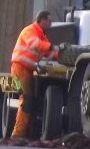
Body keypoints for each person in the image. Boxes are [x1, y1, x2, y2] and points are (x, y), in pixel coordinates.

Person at [9, 10, 59, 141]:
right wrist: (52, 47)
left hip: (25, 70)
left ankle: (21, 133)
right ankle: (17, 134)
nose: (51, 24)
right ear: (42, 20)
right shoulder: (30, 30)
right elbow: (35, 44)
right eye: (49, 21)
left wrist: (61, 54)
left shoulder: (41, 35)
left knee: (27, 100)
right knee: (26, 100)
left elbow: (48, 53)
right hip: (20, 69)